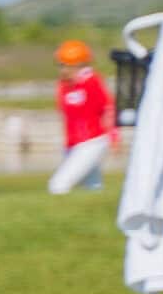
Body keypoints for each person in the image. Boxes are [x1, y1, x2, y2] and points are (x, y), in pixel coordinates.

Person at [49, 38, 118, 194]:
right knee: (93, 188)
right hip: (74, 144)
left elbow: (108, 107)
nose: (60, 69)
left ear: (75, 64)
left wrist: (114, 135)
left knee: (58, 184)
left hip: (93, 141)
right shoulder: (64, 86)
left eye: (62, 64)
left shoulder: (91, 82)